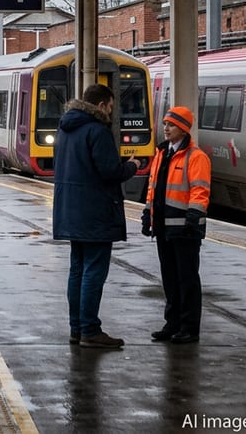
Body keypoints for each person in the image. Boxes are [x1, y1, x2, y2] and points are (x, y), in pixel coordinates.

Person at [51, 83, 140, 350]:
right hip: (95, 213)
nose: (111, 113)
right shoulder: (97, 131)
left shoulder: (65, 128)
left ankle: (76, 328)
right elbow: (109, 171)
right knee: (93, 271)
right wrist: (131, 166)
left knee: (77, 269)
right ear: (101, 105)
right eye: (111, 107)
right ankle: (90, 329)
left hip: (70, 210)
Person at [142, 106, 211, 345]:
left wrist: (194, 216)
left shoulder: (196, 156)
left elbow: (200, 190)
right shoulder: (162, 153)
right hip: (163, 227)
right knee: (170, 277)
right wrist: (147, 213)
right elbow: (153, 187)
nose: (166, 128)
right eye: (165, 124)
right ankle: (172, 324)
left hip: (185, 228)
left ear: (183, 128)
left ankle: (189, 327)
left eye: (171, 125)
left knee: (187, 278)